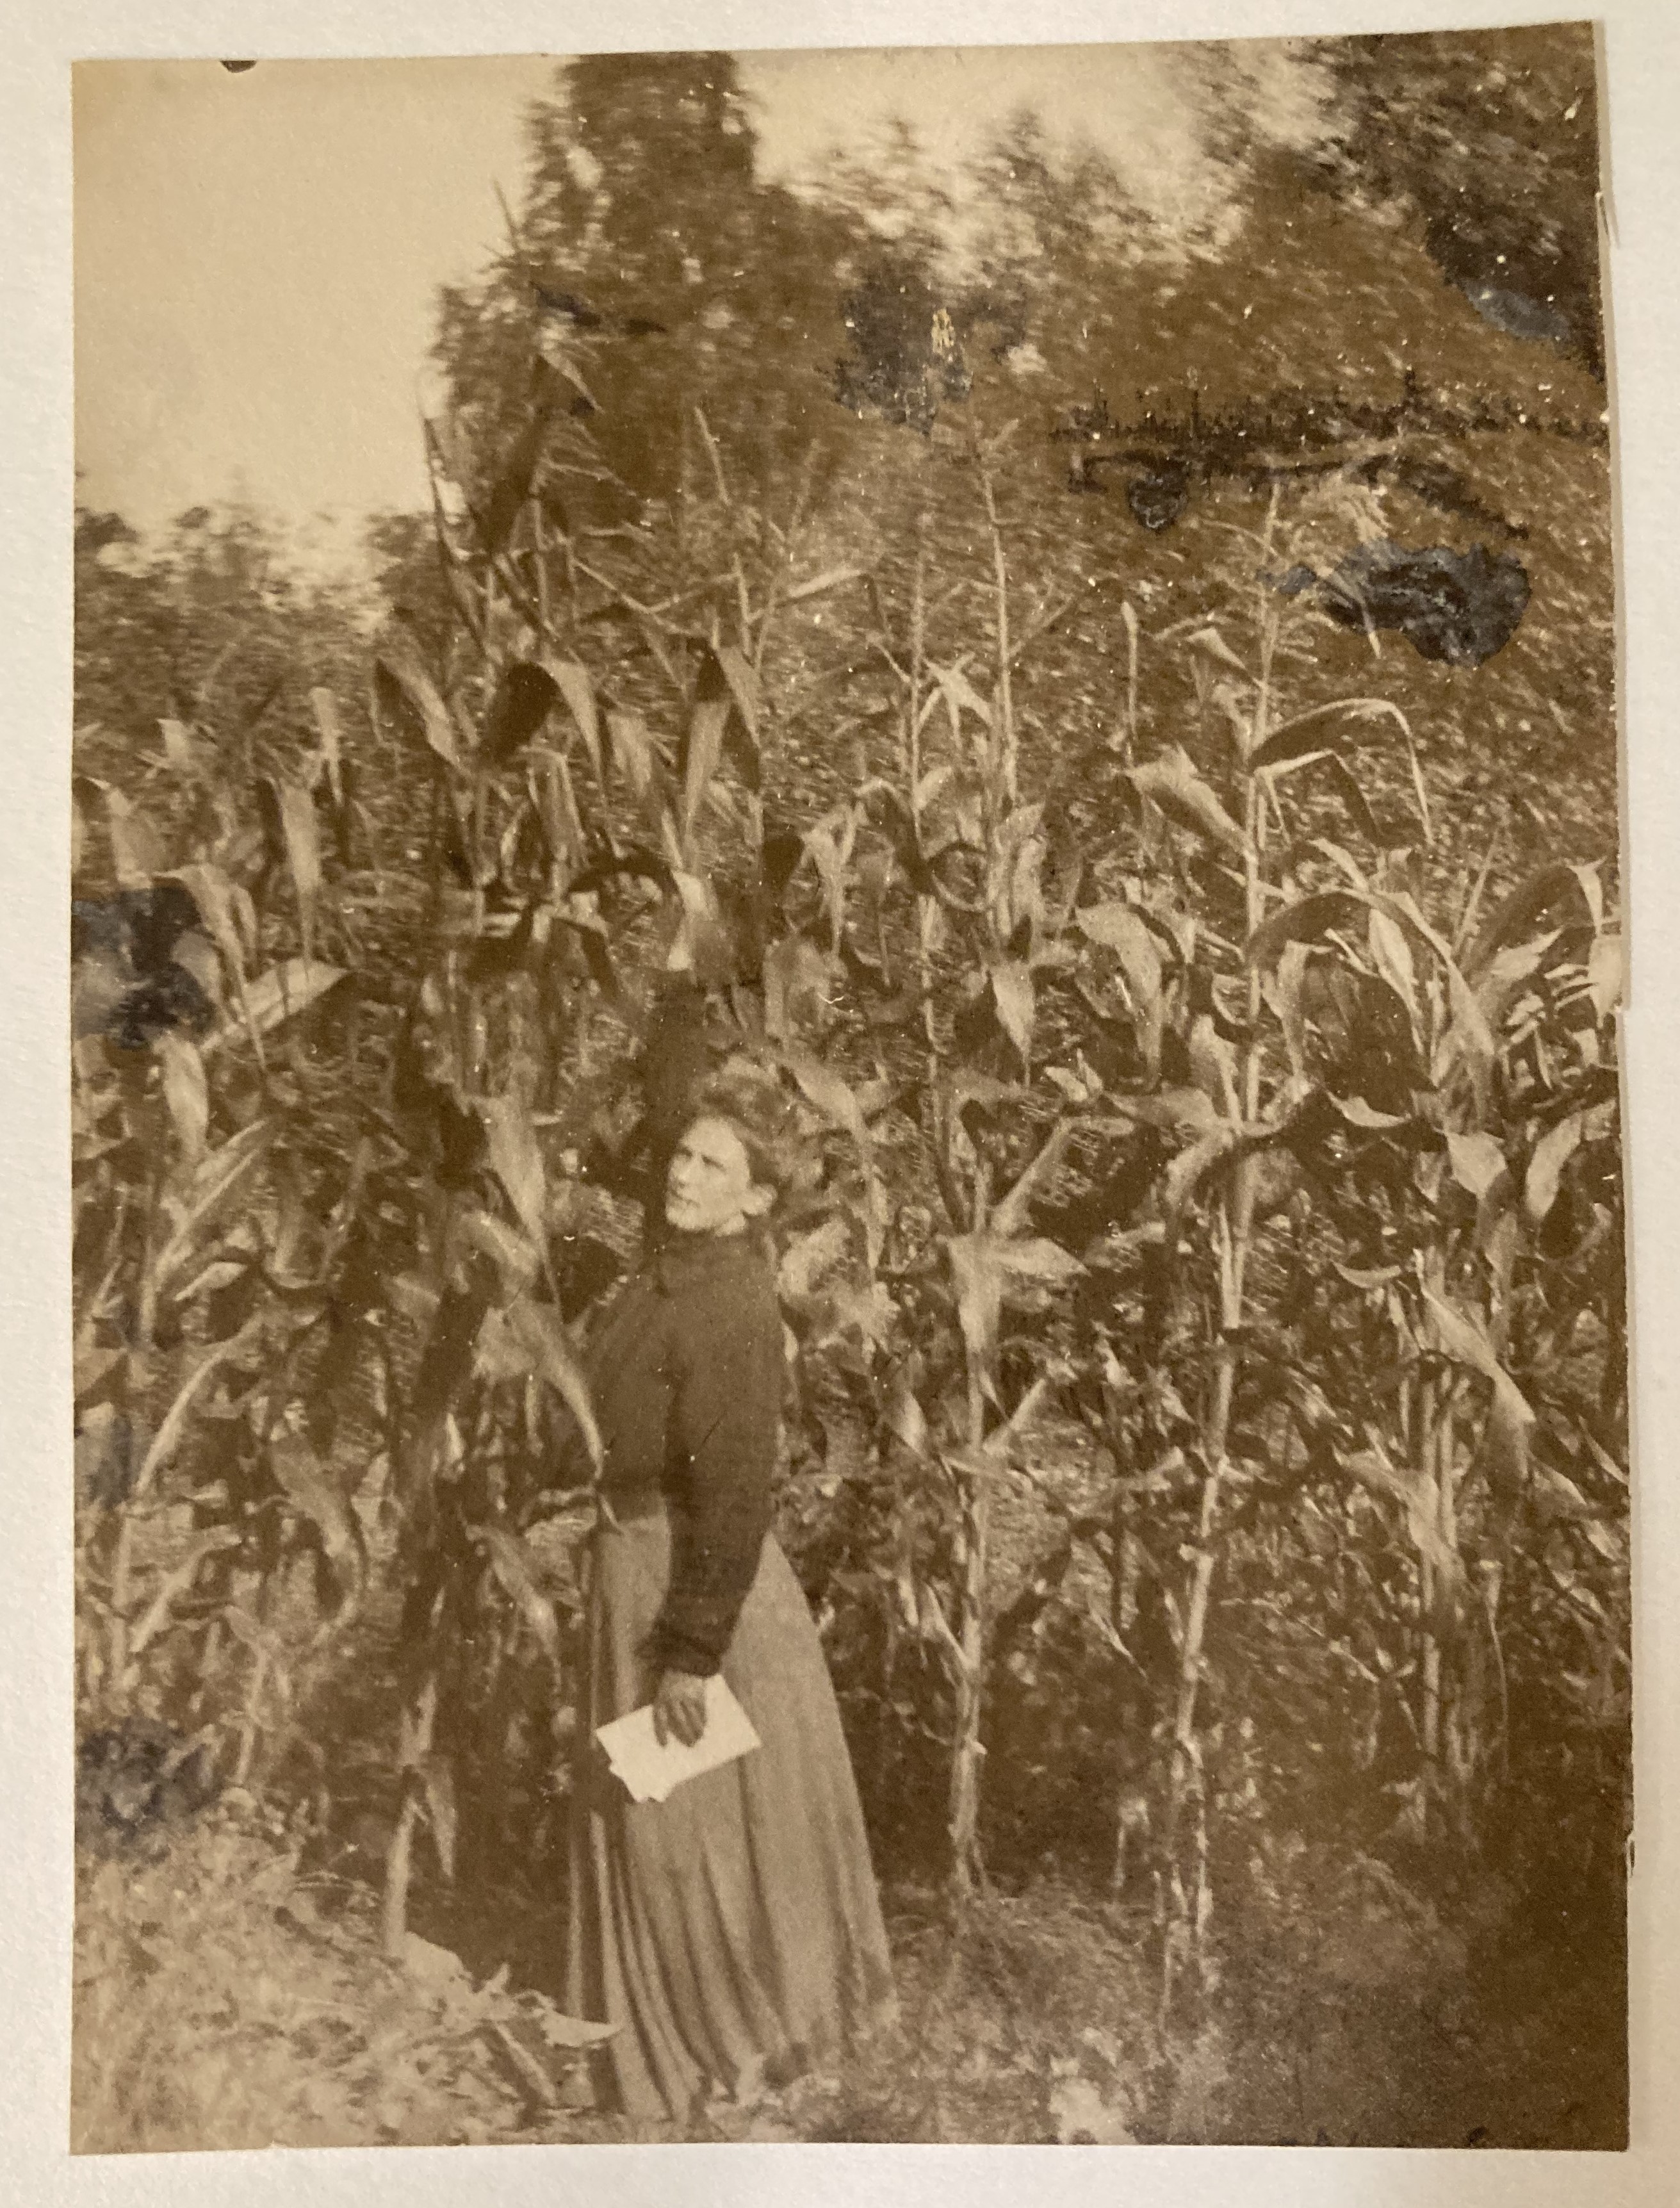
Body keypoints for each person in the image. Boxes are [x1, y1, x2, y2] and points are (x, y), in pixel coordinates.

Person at [562, 1074, 897, 2125]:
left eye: (716, 1165)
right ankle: (683, 2041)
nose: (685, 1172)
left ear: (757, 1203)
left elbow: (737, 1489)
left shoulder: (731, 1305)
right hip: (635, 1568)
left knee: (683, 1830)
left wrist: (691, 1653)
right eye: (683, 1154)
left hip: (692, 1587)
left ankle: (726, 2049)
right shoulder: (661, 1280)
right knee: (666, 1824)